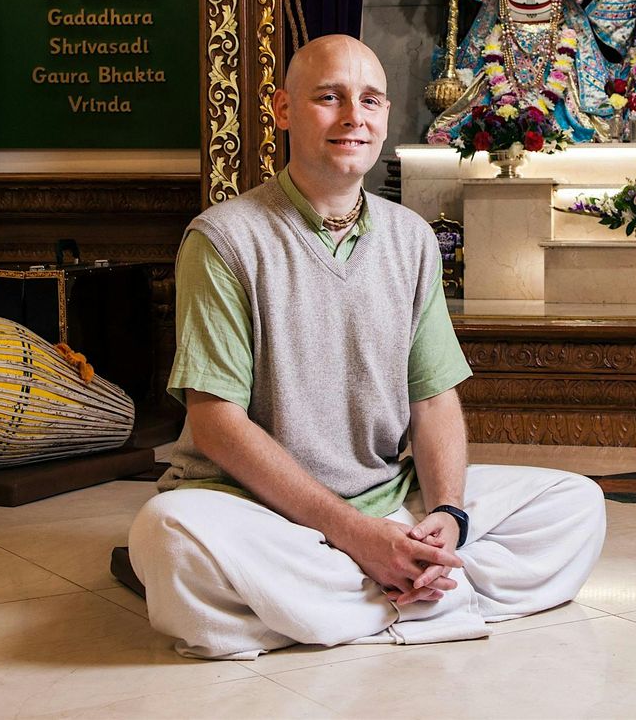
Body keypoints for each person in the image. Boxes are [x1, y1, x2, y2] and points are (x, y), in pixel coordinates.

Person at [128, 35, 606, 660]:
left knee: (575, 504)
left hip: (386, 497)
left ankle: (340, 599)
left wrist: (448, 516)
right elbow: (216, 424)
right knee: (168, 536)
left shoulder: (412, 238)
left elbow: (432, 399)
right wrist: (354, 534)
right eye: (329, 97)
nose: (354, 116)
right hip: (253, 506)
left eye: (371, 100)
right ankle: (421, 594)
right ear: (283, 110)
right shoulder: (224, 239)